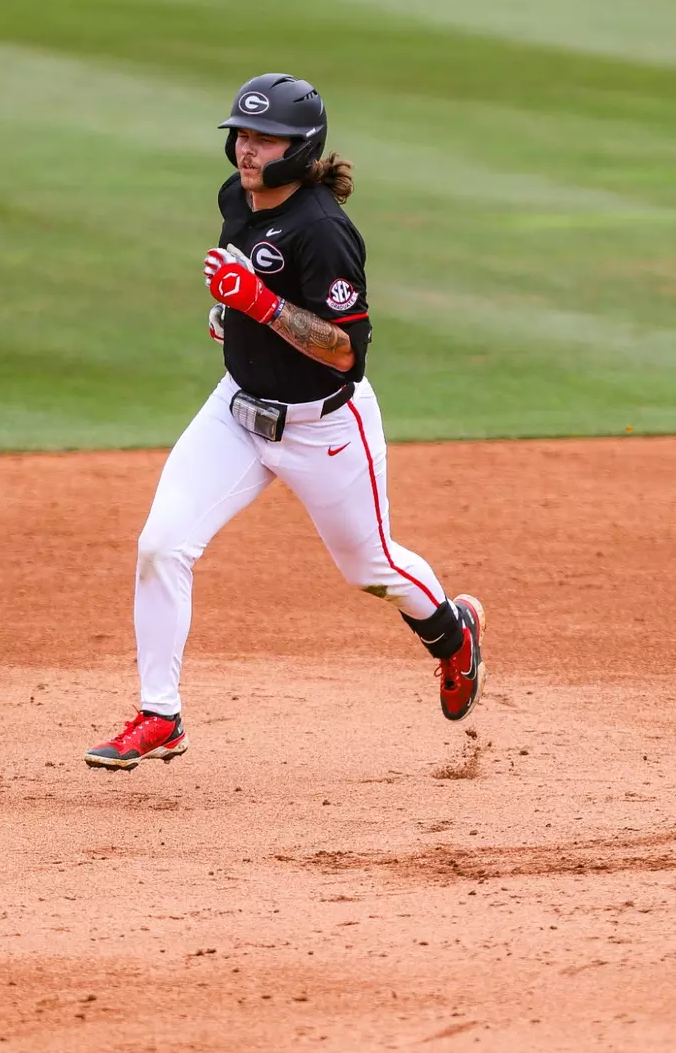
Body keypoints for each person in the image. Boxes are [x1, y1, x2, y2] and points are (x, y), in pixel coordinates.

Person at [85, 73, 485, 770]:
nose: (247, 149)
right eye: (241, 134)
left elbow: (345, 353)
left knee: (372, 568)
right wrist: (233, 315)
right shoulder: (236, 198)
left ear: (301, 149)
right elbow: (247, 286)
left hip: (323, 428)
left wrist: (262, 307)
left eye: (265, 138)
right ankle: (160, 715)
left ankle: (453, 635)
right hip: (236, 414)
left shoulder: (324, 231)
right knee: (161, 545)